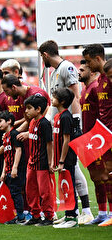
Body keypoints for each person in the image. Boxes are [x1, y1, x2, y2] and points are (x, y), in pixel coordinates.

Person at [39, 41, 92, 224]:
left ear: (45, 54)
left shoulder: (66, 67)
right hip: (59, 124)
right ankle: (74, 210)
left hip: (70, 123)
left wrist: (73, 120)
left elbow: (75, 95)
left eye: (41, 56)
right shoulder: (55, 72)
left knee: (72, 166)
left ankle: (84, 209)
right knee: (68, 169)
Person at [82, 45, 112, 227]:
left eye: (88, 61)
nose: (87, 64)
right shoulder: (101, 80)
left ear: (97, 58)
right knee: (107, 174)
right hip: (104, 135)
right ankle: (107, 213)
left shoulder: (108, 78)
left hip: (109, 132)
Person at [22, 95, 54, 226]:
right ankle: (35, 215)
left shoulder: (45, 124)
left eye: (29, 108)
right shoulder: (32, 122)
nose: (26, 111)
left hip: (42, 163)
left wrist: (51, 163)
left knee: (45, 192)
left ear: (38, 109)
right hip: (32, 162)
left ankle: (49, 216)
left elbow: (49, 144)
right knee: (30, 191)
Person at [50, 88, 79, 228]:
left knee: (69, 186)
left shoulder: (66, 117)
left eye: (54, 97)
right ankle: (68, 214)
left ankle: (72, 217)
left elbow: (66, 140)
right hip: (60, 159)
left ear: (61, 101)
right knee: (64, 187)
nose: (52, 99)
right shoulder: (58, 116)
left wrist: (61, 160)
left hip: (67, 159)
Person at [0, 111, 25, 224]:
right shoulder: (5, 136)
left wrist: (15, 168)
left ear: (9, 121)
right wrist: (4, 172)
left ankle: (21, 216)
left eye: (0, 121)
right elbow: (6, 155)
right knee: (13, 193)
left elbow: (18, 150)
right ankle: (17, 215)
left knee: (16, 192)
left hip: (16, 170)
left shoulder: (14, 134)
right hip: (8, 169)